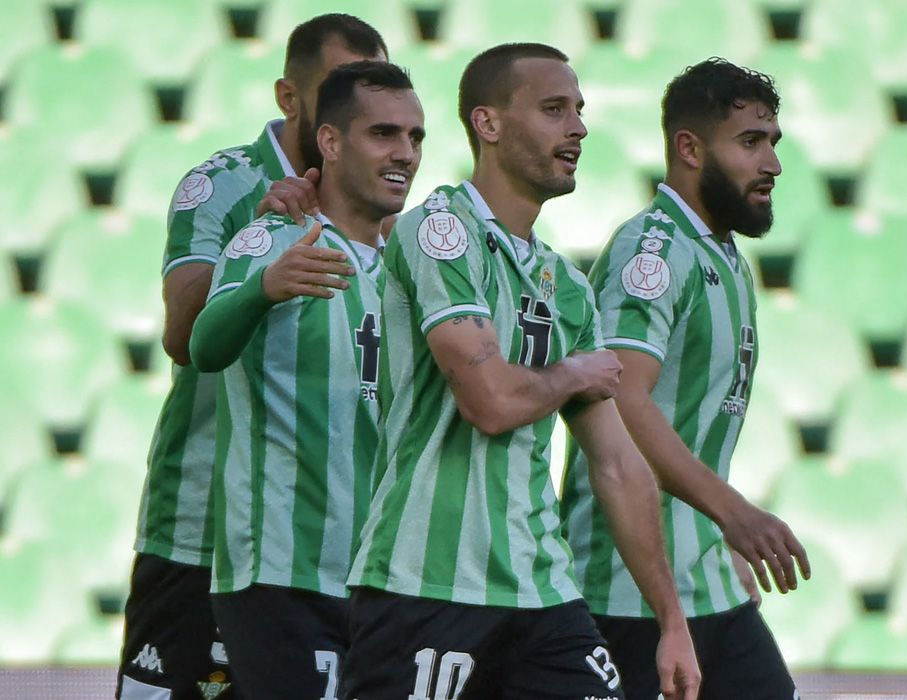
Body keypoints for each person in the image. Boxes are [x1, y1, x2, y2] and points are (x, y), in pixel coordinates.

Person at [340, 43, 701, 700]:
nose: (578, 128)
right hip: (425, 587)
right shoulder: (438, 233)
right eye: (554, 109)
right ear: (489, 123)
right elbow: (491, 404)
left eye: (579, 111)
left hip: (543, 594)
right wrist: (574, 373)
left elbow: (617, 465)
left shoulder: (569, 287)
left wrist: (671, 621)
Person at [117, 15, 388, 700]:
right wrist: (264, 240)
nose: (357, 102)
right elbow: (184, 335)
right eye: (339, 85)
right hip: (204, 524)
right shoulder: (223, 185)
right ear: (289, 98)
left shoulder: (380, 211)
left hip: (324, 542)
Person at [560, 58, 809, 700]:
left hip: (708, 582)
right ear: (690, 149)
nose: (772, 164)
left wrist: (716, 536)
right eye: (750, 143)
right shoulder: (654, 252)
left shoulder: (723, 256)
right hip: (625, 593)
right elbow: (622, 397)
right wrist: (733, 513)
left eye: (773, 143)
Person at [187, 60, 424, 699]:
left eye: (415, 137)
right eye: (383, 134)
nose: (405, 153)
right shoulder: (274, 237)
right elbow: (203, 347)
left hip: (380, 580)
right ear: (331, 142)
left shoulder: (409, 267)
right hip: (282, 573)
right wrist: (262, 290)